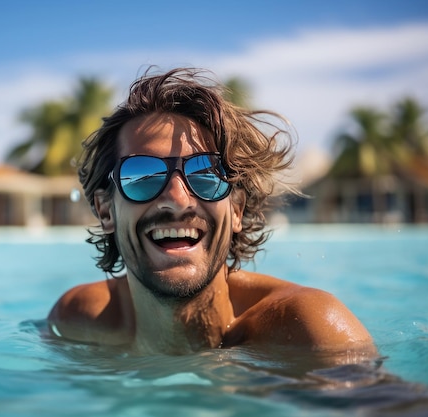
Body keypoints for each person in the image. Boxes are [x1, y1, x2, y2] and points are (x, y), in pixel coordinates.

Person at [48, 67, 376, 360]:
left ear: (236, 209)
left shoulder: (308, 332)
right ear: (106, 211)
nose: (178, 200)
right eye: (142, 176)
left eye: (206, 175)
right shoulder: (78, 322)